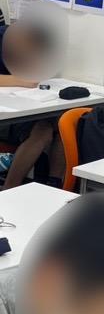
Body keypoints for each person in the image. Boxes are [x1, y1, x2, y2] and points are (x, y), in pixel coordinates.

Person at [0, 23, 65, 190]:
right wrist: (20, 80)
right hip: (5, 115)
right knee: (43, 131)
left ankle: (54, 184)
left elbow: (35, 76)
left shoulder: (33, 46)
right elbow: (27, 80)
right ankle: (9, 189)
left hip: (22, 108)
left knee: (64, 123)